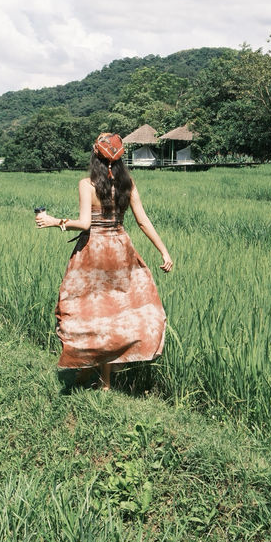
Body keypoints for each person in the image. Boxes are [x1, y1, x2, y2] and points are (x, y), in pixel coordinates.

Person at [36, 132, 172, 391]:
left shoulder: (87, 184)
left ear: (94, 157)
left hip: (93, 253)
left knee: (88, 311)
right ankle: (102, 379)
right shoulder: (127, 184)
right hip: (120, 250)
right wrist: (164, 251)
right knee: (113, 314)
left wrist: (54, 221)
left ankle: (89, 369)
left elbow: (85, 223)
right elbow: (143, 221)